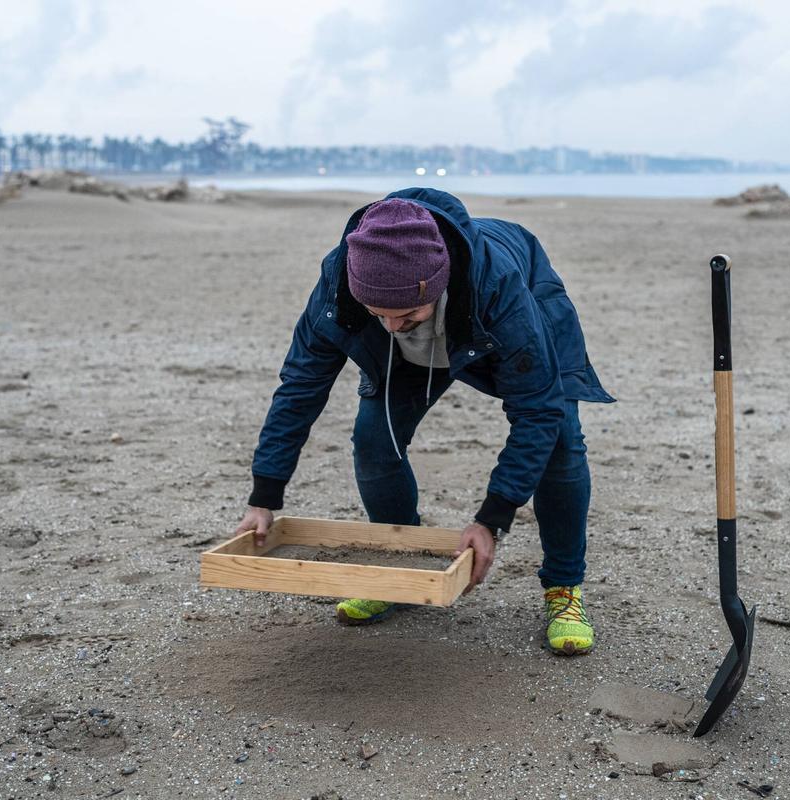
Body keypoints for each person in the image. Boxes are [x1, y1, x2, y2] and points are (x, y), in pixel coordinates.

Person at [234, 188, 614, 655]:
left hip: (495, 319)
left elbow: (537, 409)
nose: (392, 326)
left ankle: (563, 589)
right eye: (379, 316)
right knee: (374, 441)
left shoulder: (500, 287)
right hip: (409, 358)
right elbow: (300, 385)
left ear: (439, 282)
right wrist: (264, 494)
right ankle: (405, 572)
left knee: (560, 442)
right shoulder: (339, 283)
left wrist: (490, 519)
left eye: (407, 313)